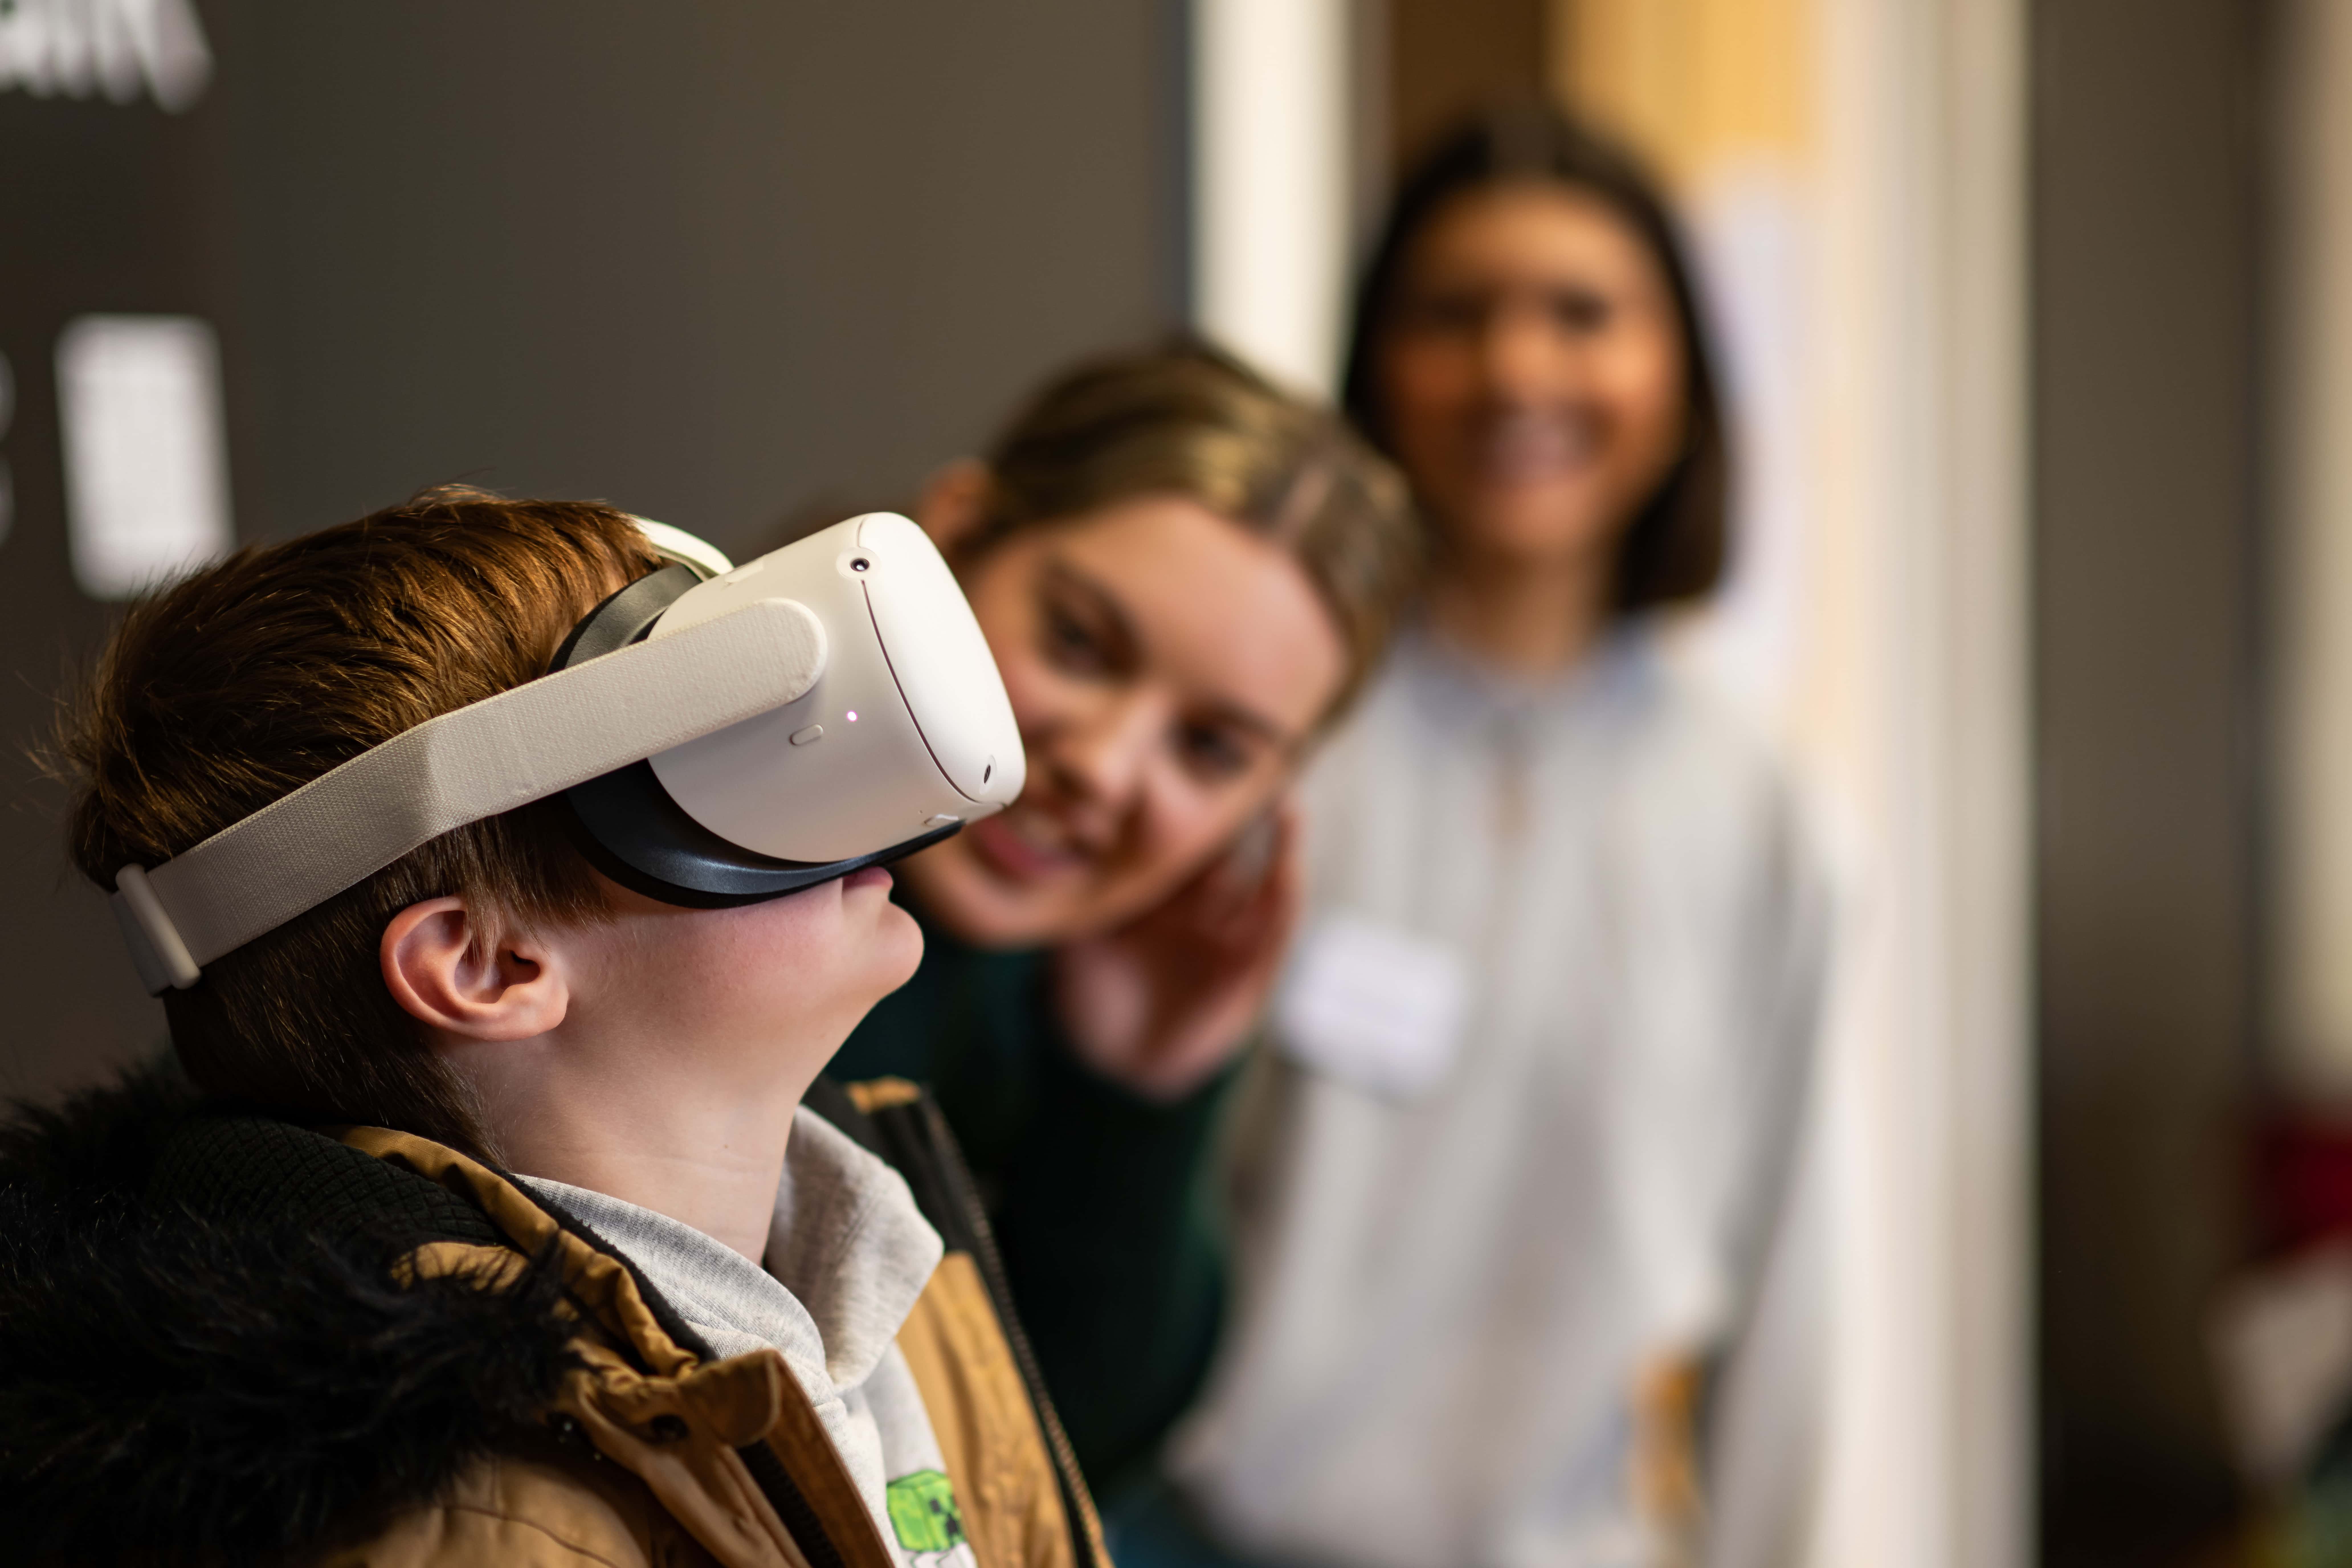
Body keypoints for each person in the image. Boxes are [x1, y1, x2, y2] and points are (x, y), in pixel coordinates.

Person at [0, 488, 1107, 1567]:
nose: (834, 814)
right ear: (488, 963)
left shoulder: (882, 1276)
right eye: (704, 768)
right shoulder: (464, 1514)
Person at [1149, 110, 1834, 1568]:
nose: (1519, 369)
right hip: (1205, 1536)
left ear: (1682, 379)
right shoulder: (1258, 739)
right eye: (1456, 316)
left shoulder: (1756, 804)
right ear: (1377, 369)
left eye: (1583, 315)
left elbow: (1793, 1272)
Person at [827, 342, 1422, 1497]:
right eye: (1080, 644)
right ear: (950, 533)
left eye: (1210, 749)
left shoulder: (1045, 997)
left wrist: (1140, 1095)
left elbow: (1057, 1454)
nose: (1102, 768)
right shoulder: (630, 814)